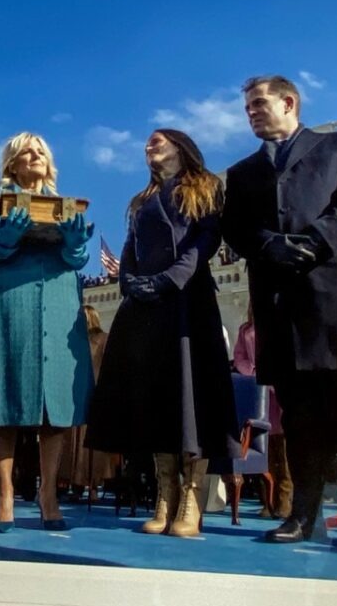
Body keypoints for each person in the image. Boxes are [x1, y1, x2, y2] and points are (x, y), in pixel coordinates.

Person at [221, 75, 337, 554]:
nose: (252, 112)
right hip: (283, 310)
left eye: (259, 103)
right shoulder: (240, 174)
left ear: (289, 102)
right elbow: (235, 229)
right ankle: (303, 514)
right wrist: (271, 246)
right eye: (248, 107)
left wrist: (317, 239)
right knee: (299, 423)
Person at [87, 129, 238, 538]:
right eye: (147, 141)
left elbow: (205, 241)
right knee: (156, 399)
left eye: (158, 139)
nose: (149, 144)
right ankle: (164, 491)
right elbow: (130, 247)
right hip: (145, 310)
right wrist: (131, 283)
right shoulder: (142, 200)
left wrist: (170, 280)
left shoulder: (205, 187)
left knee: (191, 398)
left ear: (180, 145)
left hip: (187, 303)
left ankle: (191, 493)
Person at [0, 132, 95, 532]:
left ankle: (48, 493)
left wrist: (74, 243)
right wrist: (5, 236)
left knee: (54, 408)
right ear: (12, 165)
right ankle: (3, 493)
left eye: (41, 152)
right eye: (26, 152)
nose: (35, 156)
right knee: (2, 397)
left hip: (58, 303)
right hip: (11, 302)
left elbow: (79, 258)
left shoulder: (67, 205)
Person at [232, 306, 291, 519]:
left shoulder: (280, 325)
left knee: (282, 451)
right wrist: (255, 373)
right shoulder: (245, 330)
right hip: (258, 393)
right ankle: (268, 501)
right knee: (263, 451)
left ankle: (284, 500)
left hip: (278, 394)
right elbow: (239, 357)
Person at [59, 304, 119, 501]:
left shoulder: (103, 339)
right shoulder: (74, 341)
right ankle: (74, 484)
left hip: (95, 396)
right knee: (73, 442)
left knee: (92, 445)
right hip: (75, 395)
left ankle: (94, 486)